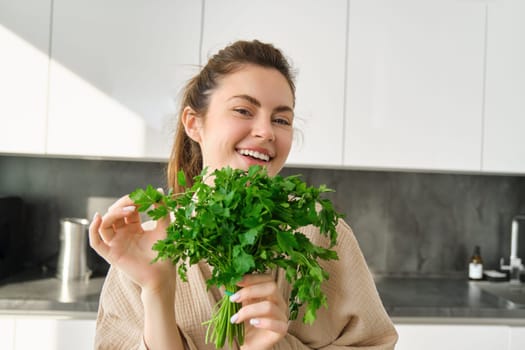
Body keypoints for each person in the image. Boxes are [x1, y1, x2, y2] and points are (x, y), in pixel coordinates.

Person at [89, 39, 398, 350]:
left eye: (281, 120)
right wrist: (157, 289)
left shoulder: (317, 231)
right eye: (243, 110)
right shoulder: (146, 247)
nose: (266, 132)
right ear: (194, 124)